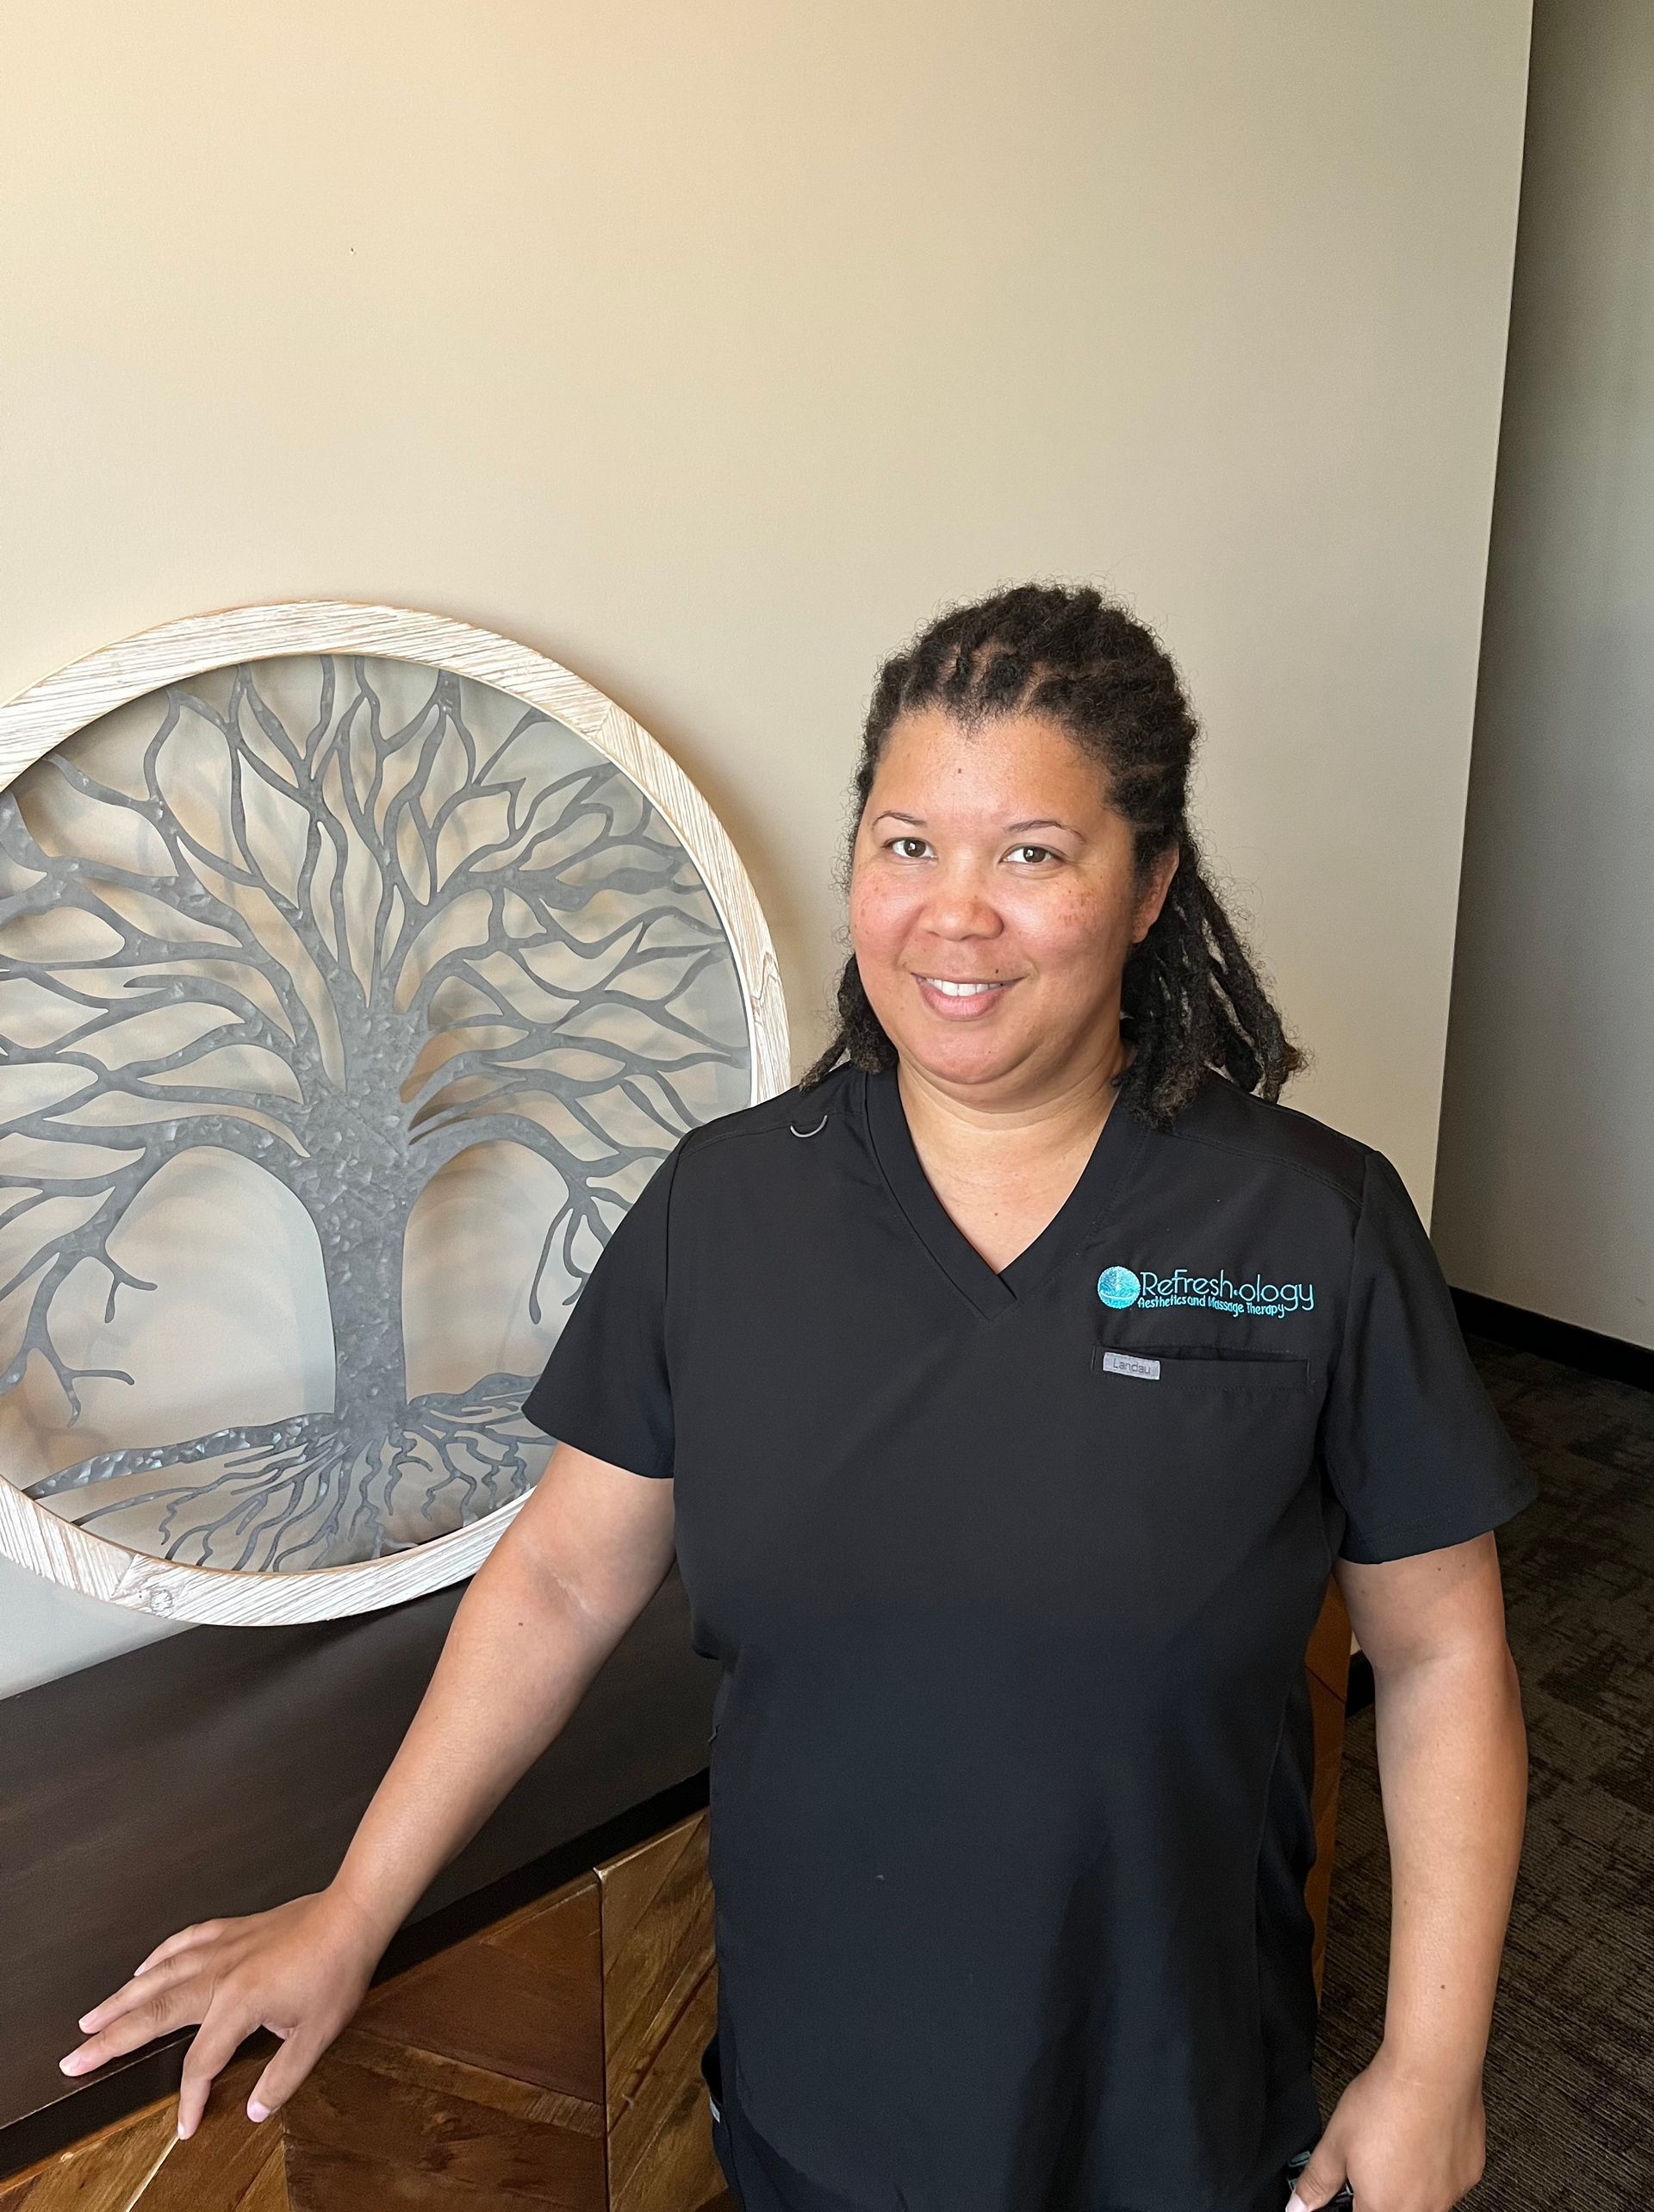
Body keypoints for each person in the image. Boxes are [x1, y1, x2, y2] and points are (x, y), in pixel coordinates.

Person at [59, 584, 1537, 2212]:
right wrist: (353, 1902)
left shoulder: (1309, 1224)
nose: (952, 915)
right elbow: (559, 1575)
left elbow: (1439, 1642)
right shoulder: (727, 1207)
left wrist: (1432, 2060)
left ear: (1150, 885)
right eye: (906, 845)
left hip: (1173, 2095)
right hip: (832, 2101)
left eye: (1031, 854)